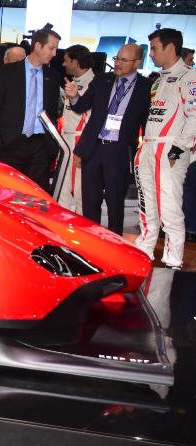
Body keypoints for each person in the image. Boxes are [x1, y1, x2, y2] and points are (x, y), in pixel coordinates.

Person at [64, 44, 151, 236]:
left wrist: (145, 151)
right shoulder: (102, 79)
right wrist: (74, 96)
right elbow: (81, 106)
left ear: (137, 63)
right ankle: (91, 241)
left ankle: (114, 243)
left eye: (124, 60)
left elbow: (147, 122)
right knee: (90, 202)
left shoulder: (146, 87)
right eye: (116, 58)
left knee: (115, 203)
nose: (118, 63)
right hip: (93, 149)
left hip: (119, 151)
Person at [133, 28, 196, 269]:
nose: (151, 54)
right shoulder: (159, 79)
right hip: (148, 147)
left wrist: (178, 149)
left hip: (170, 149)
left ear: (170, 47)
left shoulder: (189, 77)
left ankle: (173, 259)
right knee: (146, 204)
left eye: (154, 48)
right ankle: (145, 249)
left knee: (169, 207)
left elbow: (194, 116)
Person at [0, 29, 63, 190]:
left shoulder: (53, 76)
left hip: (41, 146)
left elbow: (53, 112)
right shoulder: (7, 72)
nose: (54, 53)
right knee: (7, 192)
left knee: (35, 195)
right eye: (51, 48)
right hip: (10, 143)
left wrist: (51, 146)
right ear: (38, 46)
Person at [56, 45, 96, 212]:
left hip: (80, 141)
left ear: (76, 61)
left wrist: (83, 148)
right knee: (62, 189)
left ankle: (82, 226)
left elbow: (93, 120)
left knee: (80, 191)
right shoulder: (73, 82)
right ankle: (60, 225)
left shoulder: (94, 83)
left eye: (66, 61)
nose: (63, 64)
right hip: (66, 139)